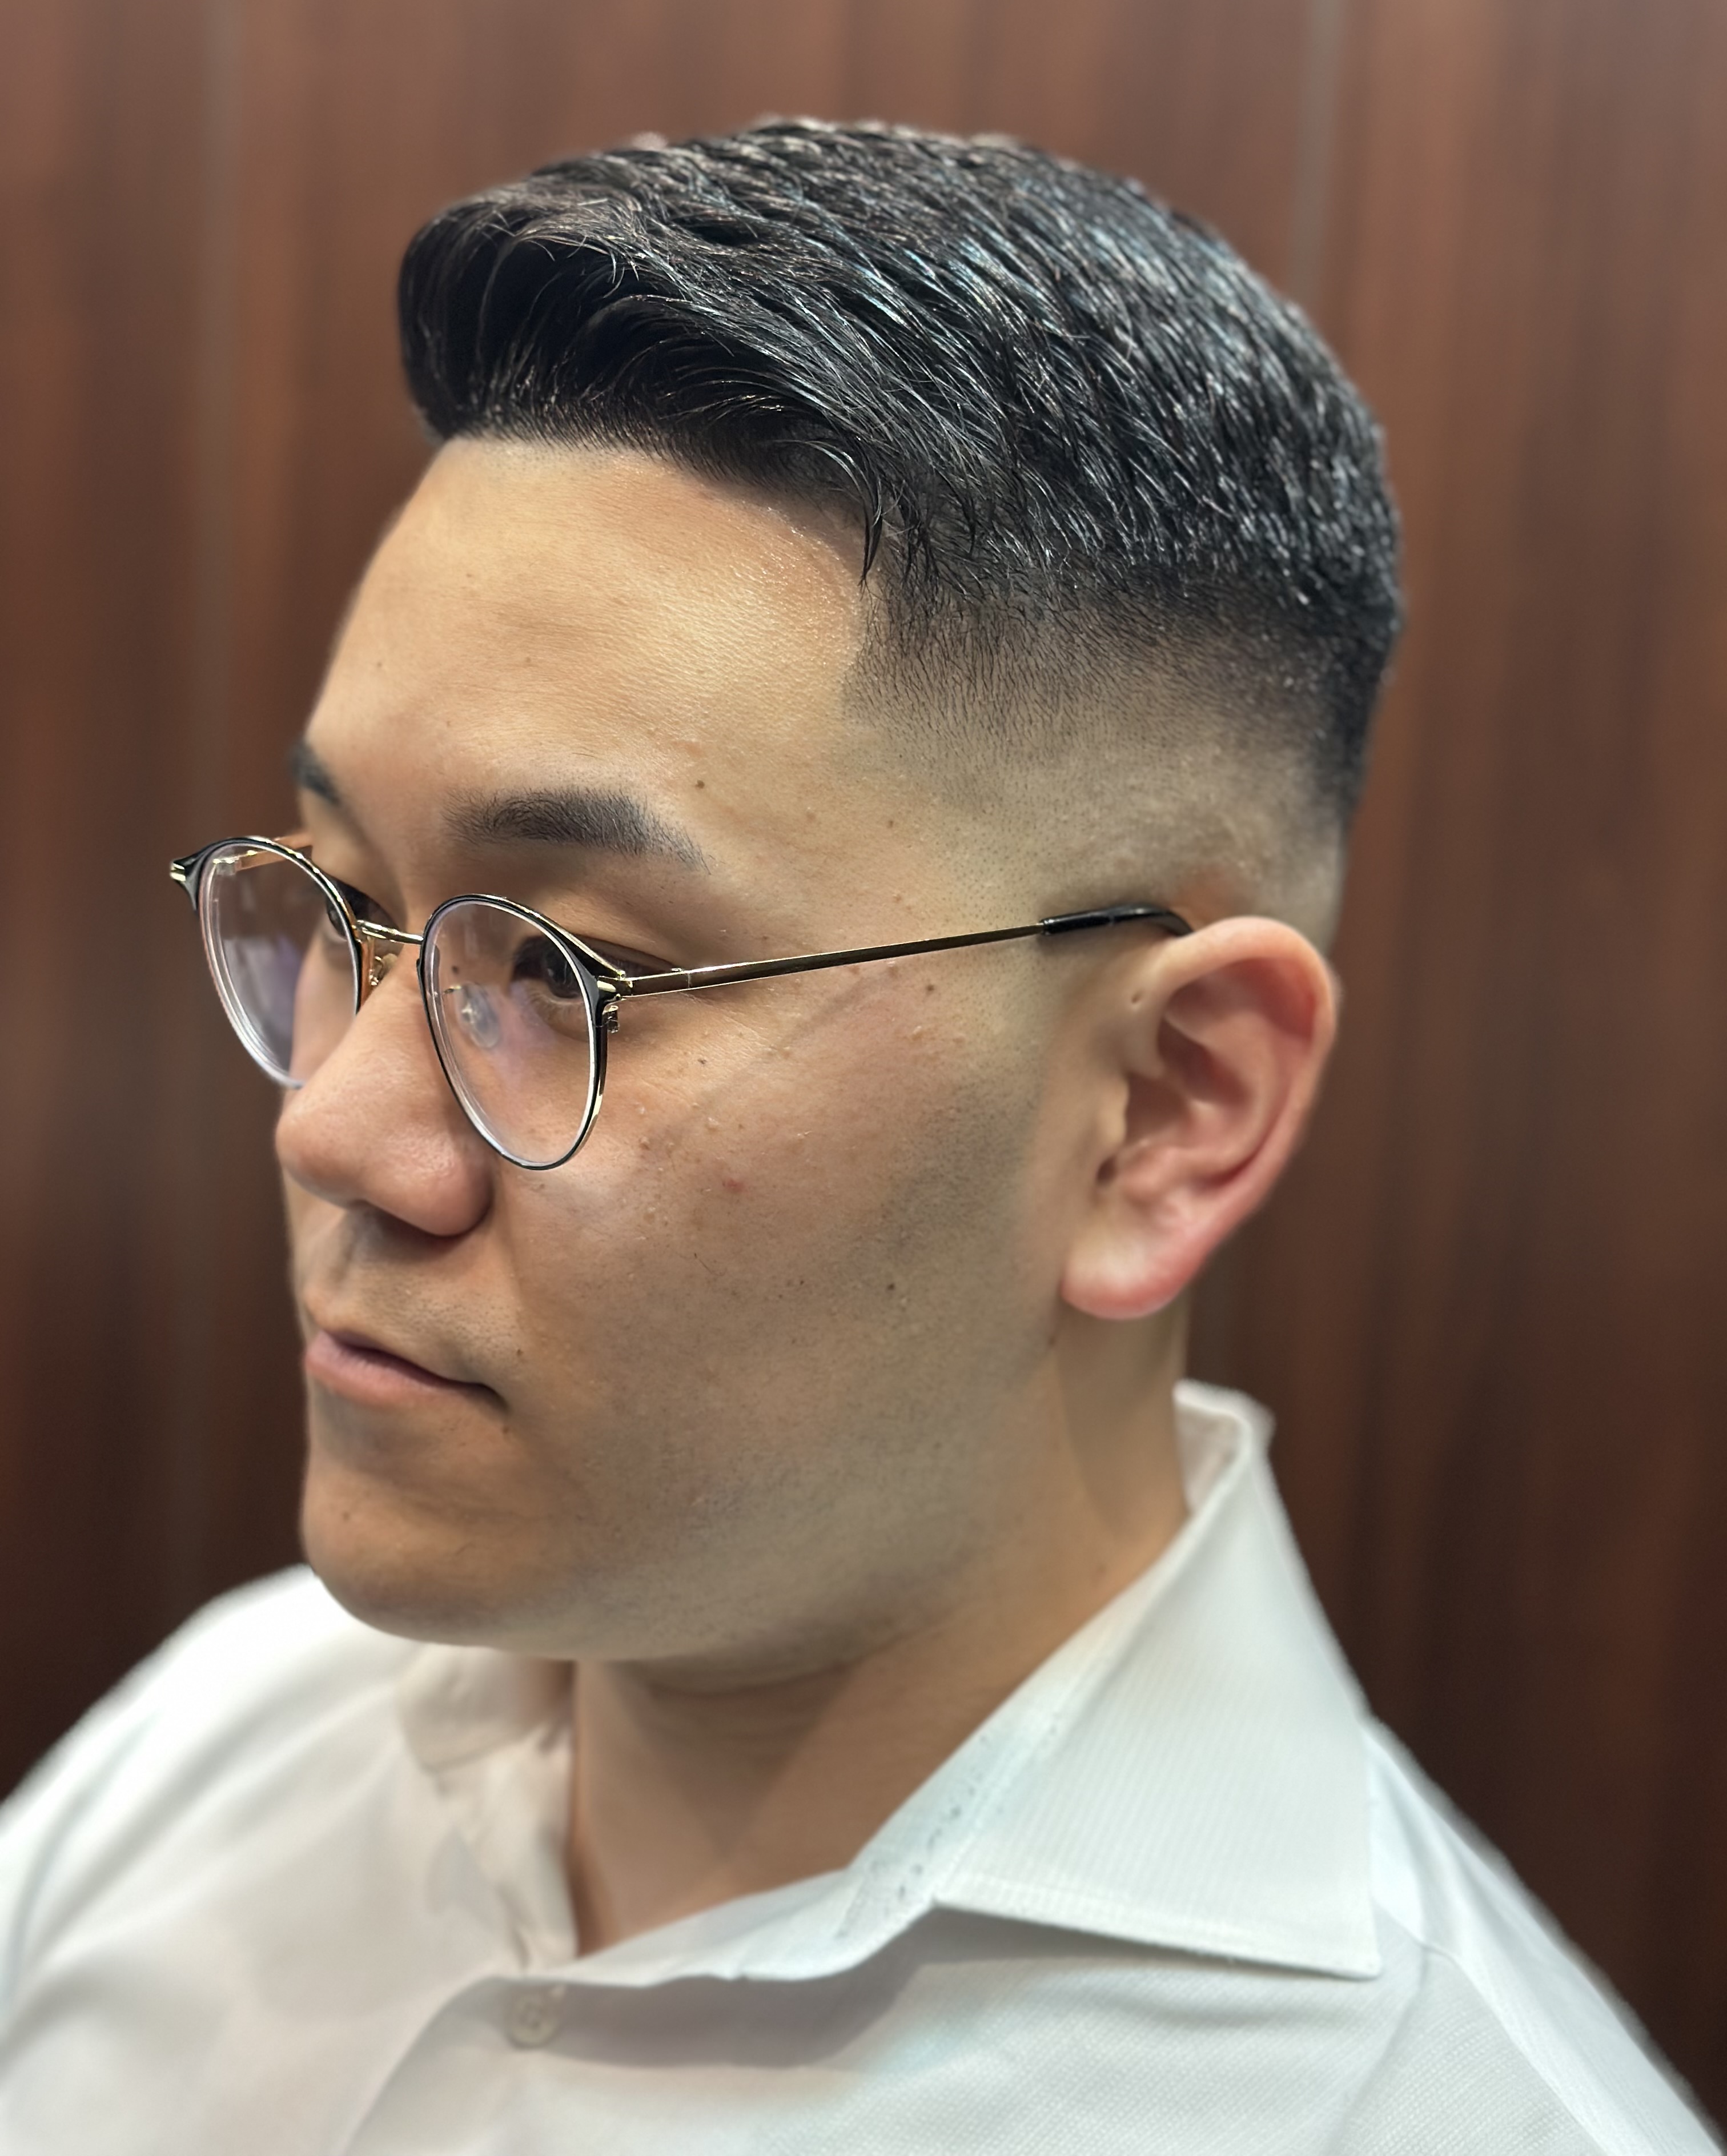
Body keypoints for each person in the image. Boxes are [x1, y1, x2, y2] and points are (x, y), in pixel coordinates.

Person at [0, 121, 1710, 2155]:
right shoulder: (226, 1740)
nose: (340, 1129)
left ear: (1164, 1117)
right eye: (347, 902)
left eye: (568, 970)